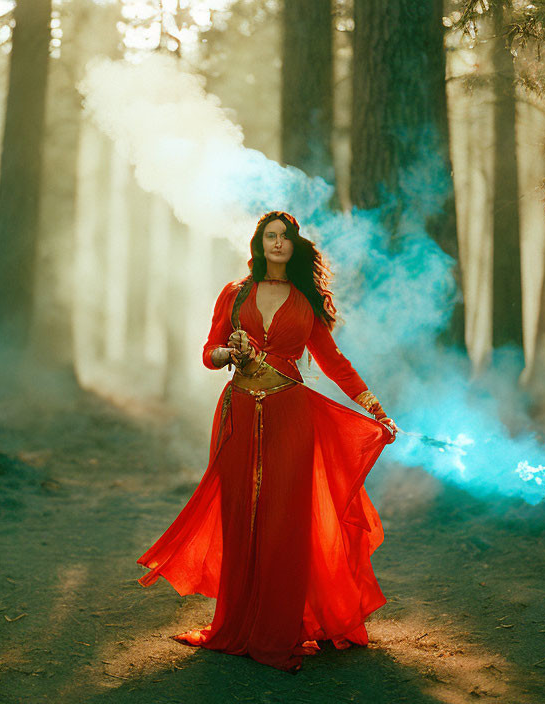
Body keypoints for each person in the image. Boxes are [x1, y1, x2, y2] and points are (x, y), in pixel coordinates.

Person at [136, 211, 399, 673]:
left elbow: (333, 361)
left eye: (285, 237)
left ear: (294, 247)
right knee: (238, 515)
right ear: (259, 244)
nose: (278, 243)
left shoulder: (305, 302)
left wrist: (373, 405)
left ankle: (279, 630)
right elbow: (209, 352)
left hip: (291, 415)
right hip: (237, 412)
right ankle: (237, 623)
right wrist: (224, 353)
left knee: (284, 520)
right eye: (270, 236)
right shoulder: (236, 294)